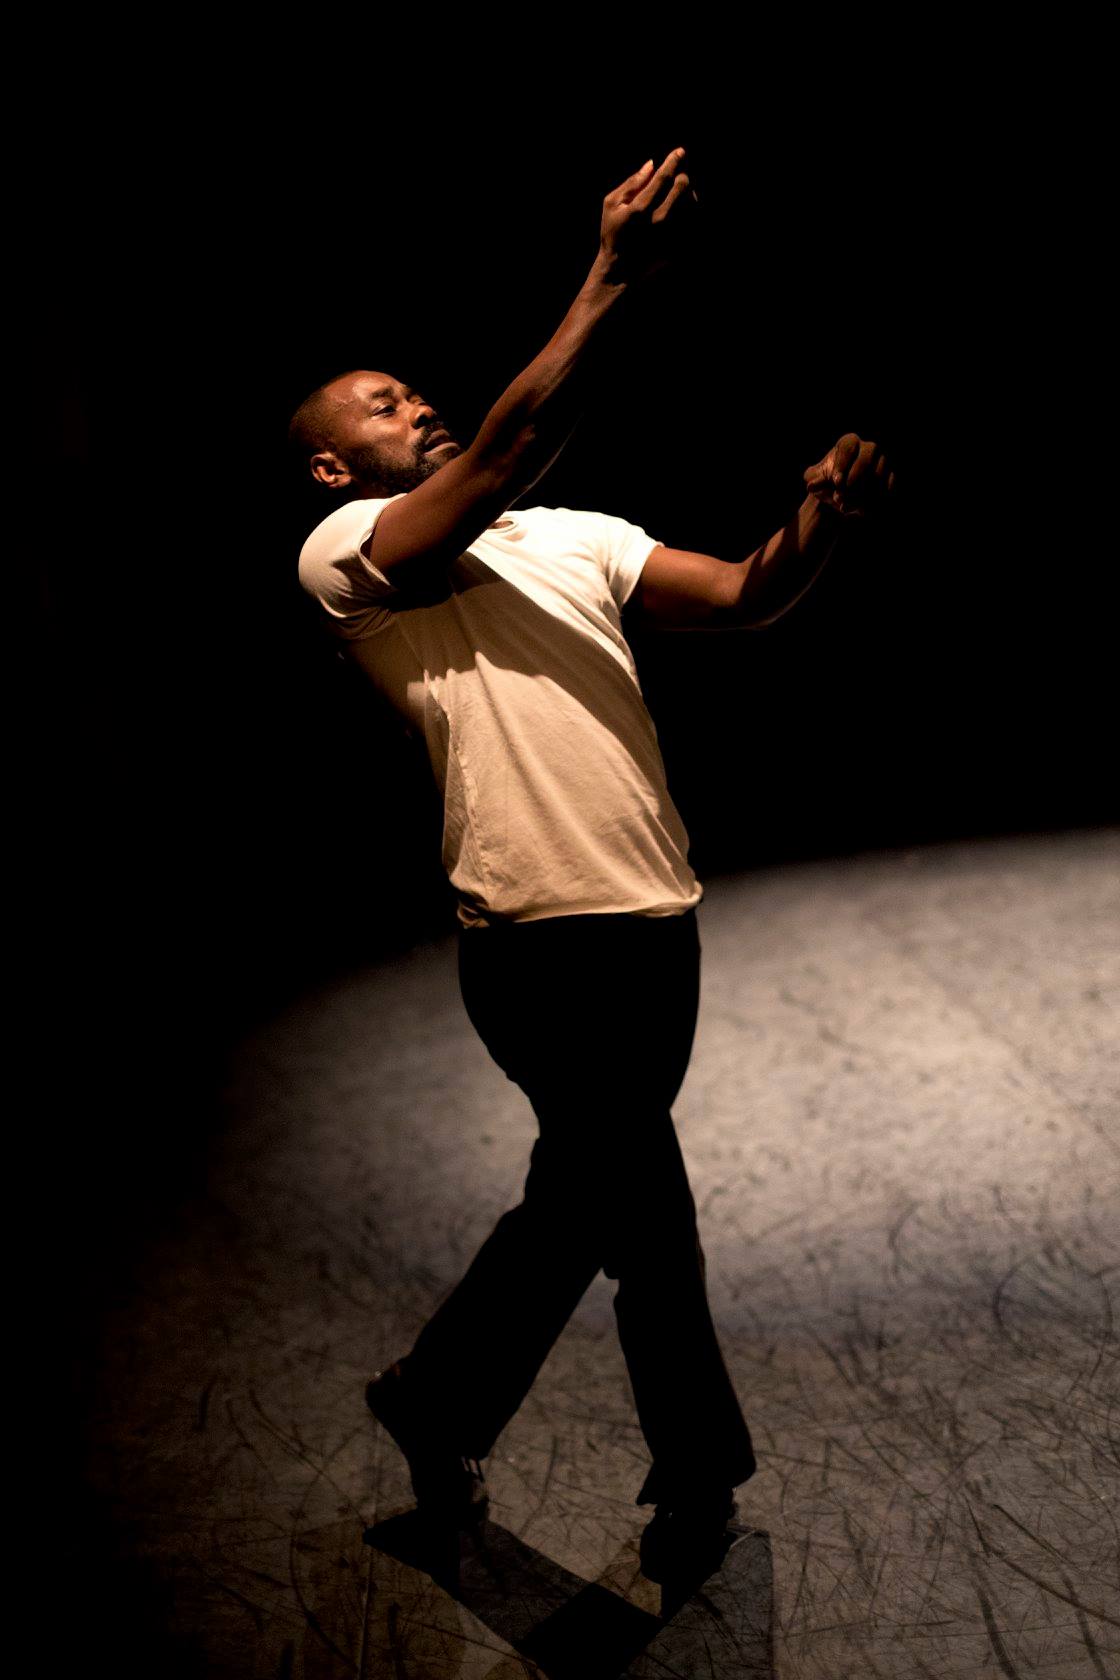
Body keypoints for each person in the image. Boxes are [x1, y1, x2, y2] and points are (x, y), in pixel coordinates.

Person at [291, 146, 895, 1581]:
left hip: (656, 925)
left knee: (585, 1198)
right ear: (331, 463)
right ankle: (697, 1478)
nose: (416, 406)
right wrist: (613, 275)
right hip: (533, 943)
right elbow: (503, 449)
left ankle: (437, 1397)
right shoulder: (346, 553)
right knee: (649, 1216)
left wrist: (824, 516)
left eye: (416, 392)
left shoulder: (573, 536)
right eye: (384, 405)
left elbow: (744, 595)